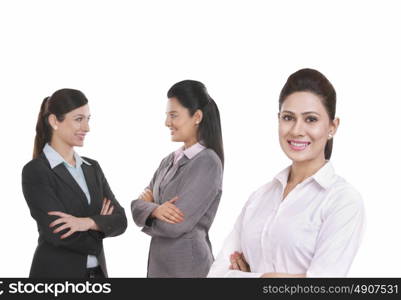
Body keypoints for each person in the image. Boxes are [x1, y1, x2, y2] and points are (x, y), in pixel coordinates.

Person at [208, 68, 365, 277]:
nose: (297, 130)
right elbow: (216, 274)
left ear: (332, 127)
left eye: (311, 119)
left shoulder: (342, 201)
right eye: (288, 117)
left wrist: (248, 275)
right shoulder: (260, 197)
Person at [22, 88, 127, 278]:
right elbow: (58, 233)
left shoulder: (92, 167)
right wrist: (102, 226)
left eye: (88, 119)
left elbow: (120, 220)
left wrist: (86, 222)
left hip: (97, 275)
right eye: (79, 119)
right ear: (54, 121)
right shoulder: (36, 171)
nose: (87, 128)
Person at [131, 80, 224, 277]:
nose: (167, 123)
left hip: (187, 270)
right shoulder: (168, 161)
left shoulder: (207, 162)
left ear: (197, 116)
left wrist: (147, 211)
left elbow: (175, 225)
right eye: (167, 116)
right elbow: (135, 206)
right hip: (159, 267)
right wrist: (156, 210)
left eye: (173, 115)